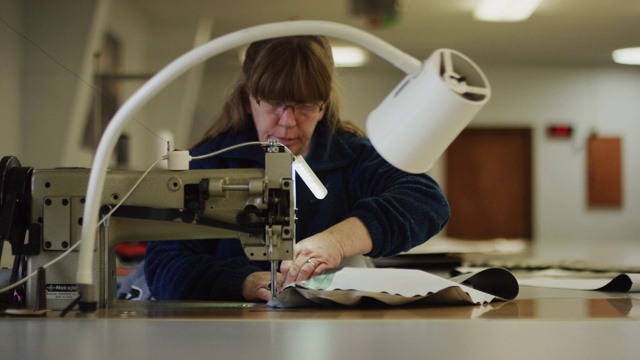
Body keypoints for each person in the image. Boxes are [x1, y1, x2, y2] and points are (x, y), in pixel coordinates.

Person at [144, 34, 450, 302]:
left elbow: (427, 200)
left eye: (305, 106)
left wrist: (336, 240)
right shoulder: (209, 163)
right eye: (273, 103)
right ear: (249, 97)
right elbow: (165, 263)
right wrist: (242, 281)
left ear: (324, 105)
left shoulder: (352, 157)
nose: (288, 122)